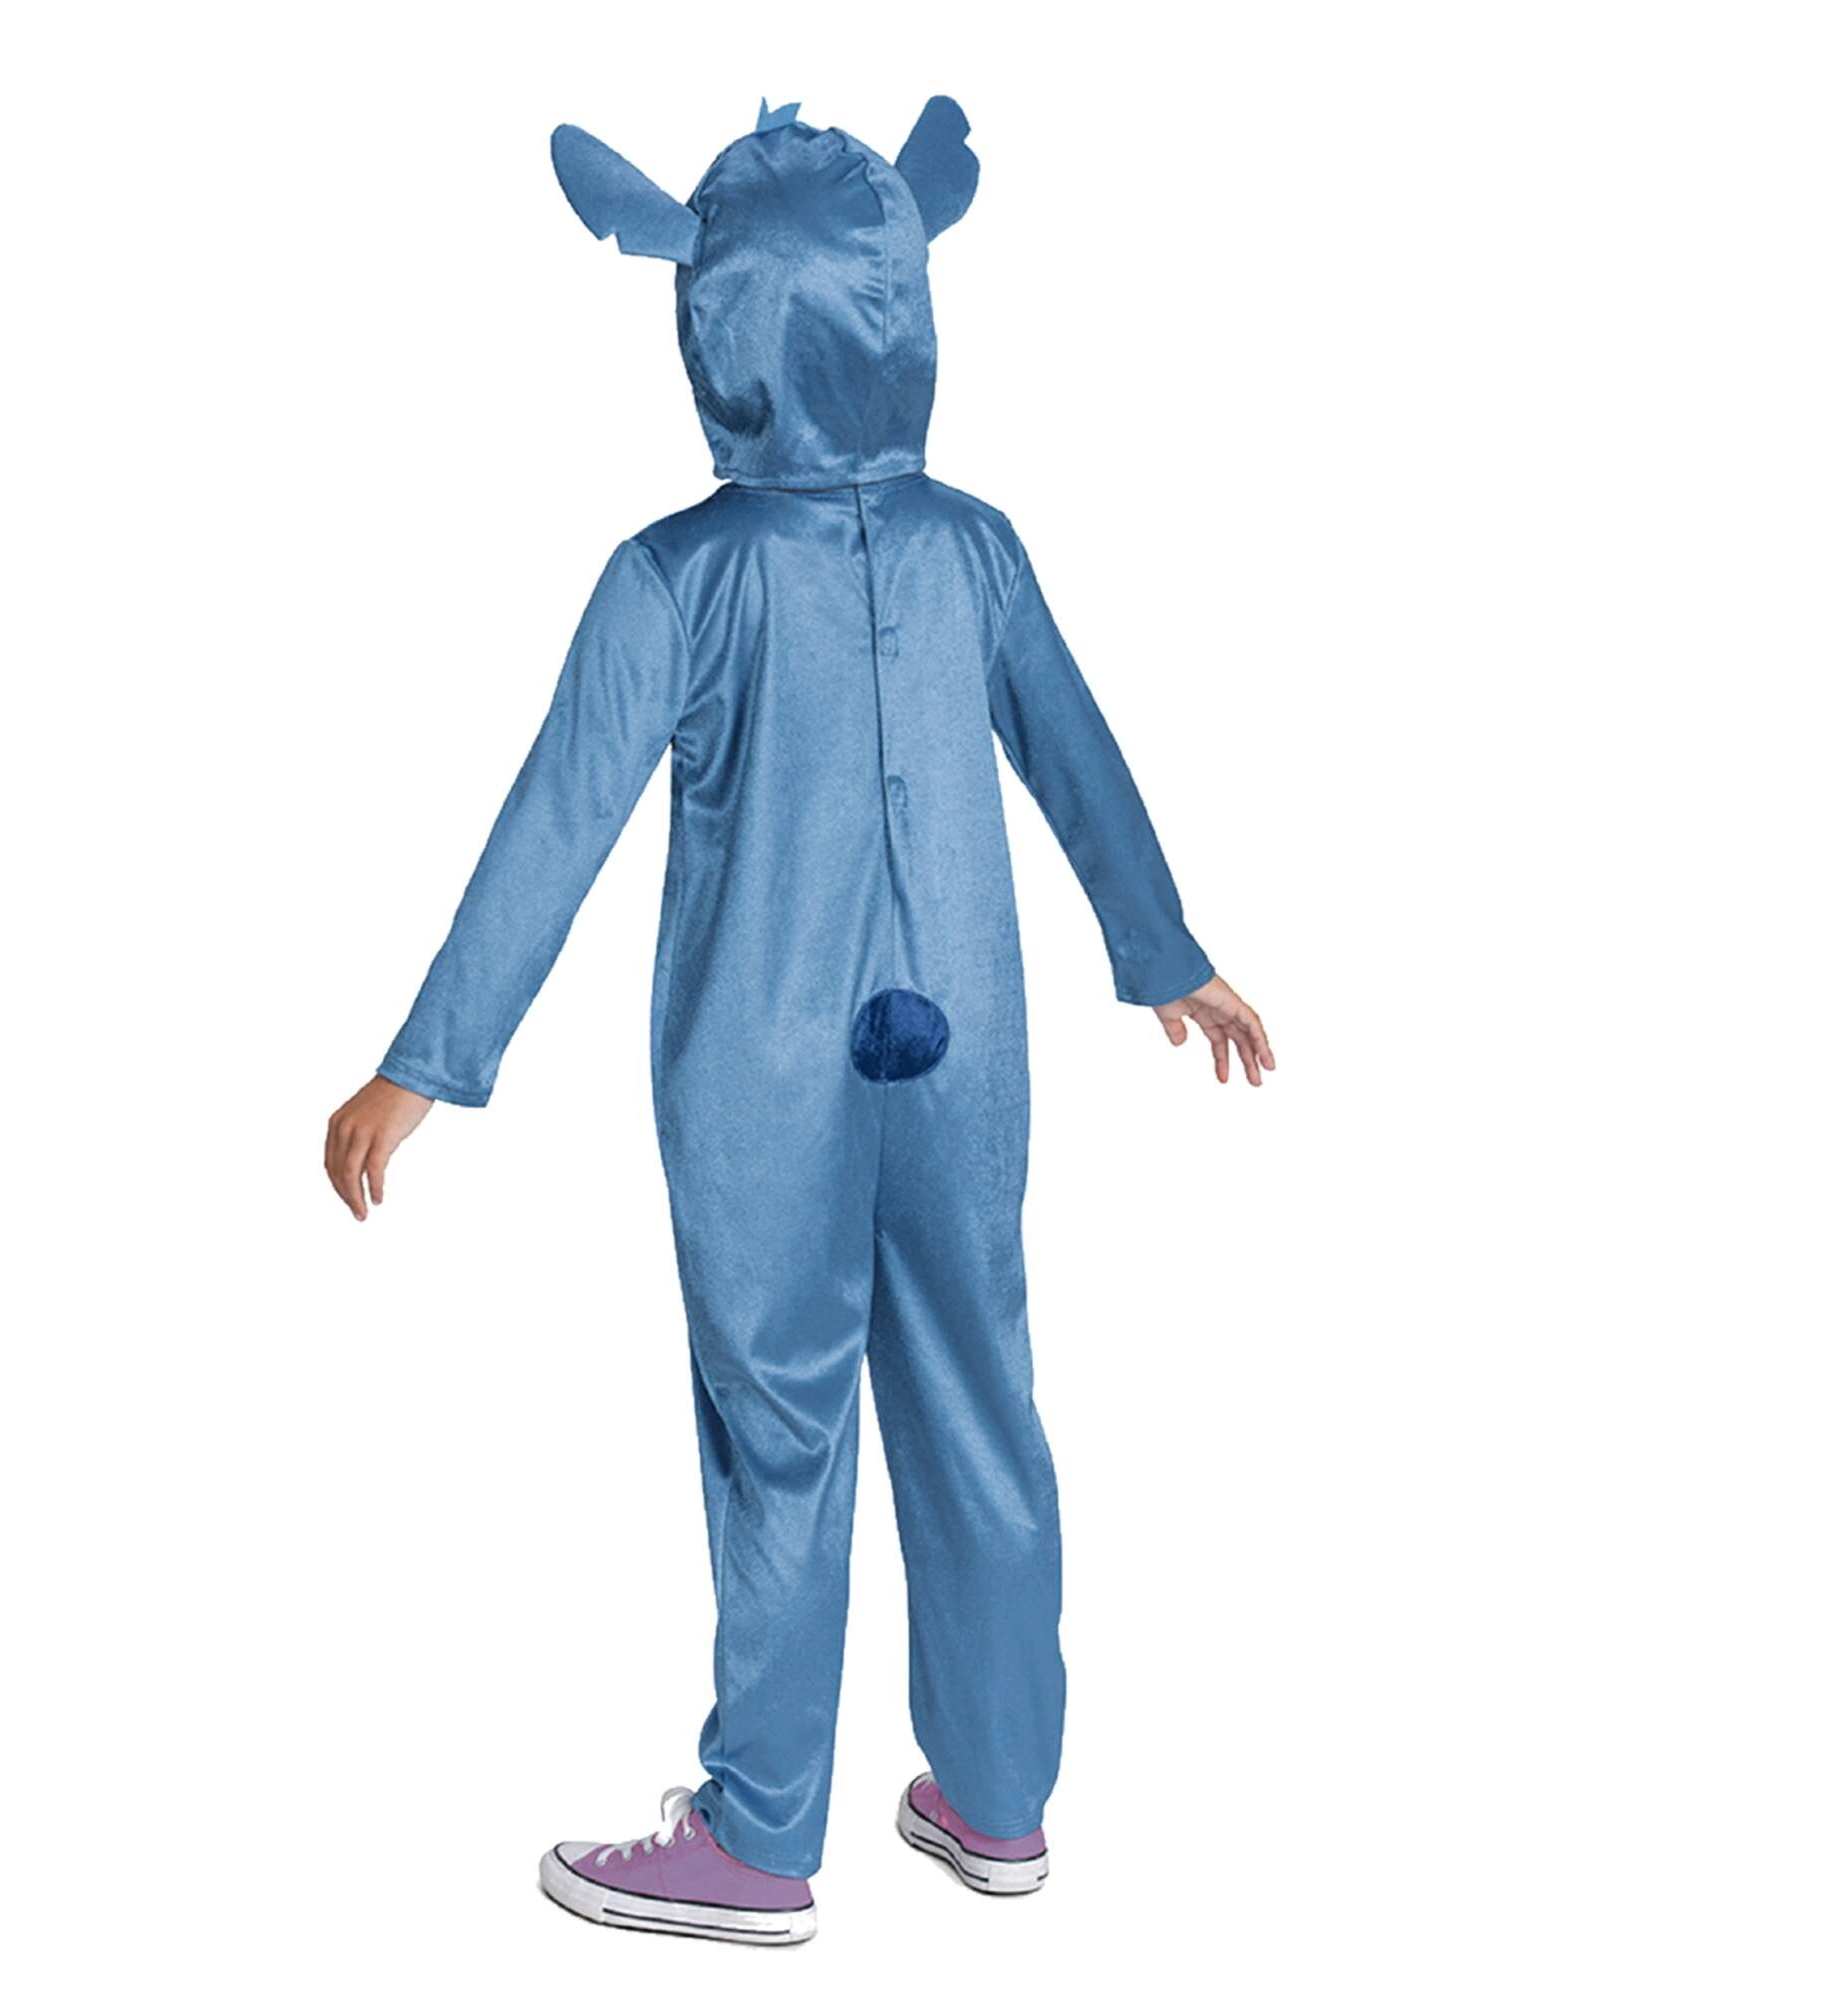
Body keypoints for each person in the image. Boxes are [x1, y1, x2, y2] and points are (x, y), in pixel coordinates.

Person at [325, 98, 1273, 1947]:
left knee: (780, 1421)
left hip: (761, 1067)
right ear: (909, 304)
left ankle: (760, 1840)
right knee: (978, 1391)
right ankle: (997, 1798)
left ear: (711, 325)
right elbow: (1077, 753)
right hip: (967, 1048)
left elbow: (556, 823)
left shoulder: (677, 574)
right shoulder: (975, 547)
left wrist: (421, 1065)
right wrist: (1165, 952)